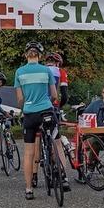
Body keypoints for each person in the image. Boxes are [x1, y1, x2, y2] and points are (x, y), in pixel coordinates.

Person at [14, 41, 58, 200]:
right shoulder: (47, 70)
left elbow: (20, 99)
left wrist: (26, 103)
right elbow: (54, 95)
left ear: (26, 55)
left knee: (29, 153)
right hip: (46, 110)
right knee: (54, 141)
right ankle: (60, 173)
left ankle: (28, 189)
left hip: (30, 114)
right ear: (39, 55)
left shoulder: (19, 72)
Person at [31, 51, 71, 191]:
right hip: (52, 108)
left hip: (35, 108)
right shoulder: (61, 71)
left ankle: (34, 177)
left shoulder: (38, 70)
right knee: (57, 141)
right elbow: (64, 95)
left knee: (36, 141)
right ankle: (64, 176)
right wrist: (59, 106)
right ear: (58, 63)